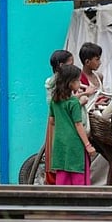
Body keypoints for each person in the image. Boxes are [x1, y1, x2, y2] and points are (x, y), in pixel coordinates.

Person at [49, 64, 97, 185]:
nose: (80, 83)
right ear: (70, 83)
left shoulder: (54, 101)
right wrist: (88, 145)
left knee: (62, 174)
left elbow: (52, 121)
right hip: (75, 144)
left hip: (60, 143)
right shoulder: (74, 103)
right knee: (77, 176)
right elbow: (78, 125)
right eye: (78, 80)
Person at [44, 50, 74, 185]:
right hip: (59, 120)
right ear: (62, 65)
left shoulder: (54, 81)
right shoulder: (56, 83)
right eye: (70, 64)